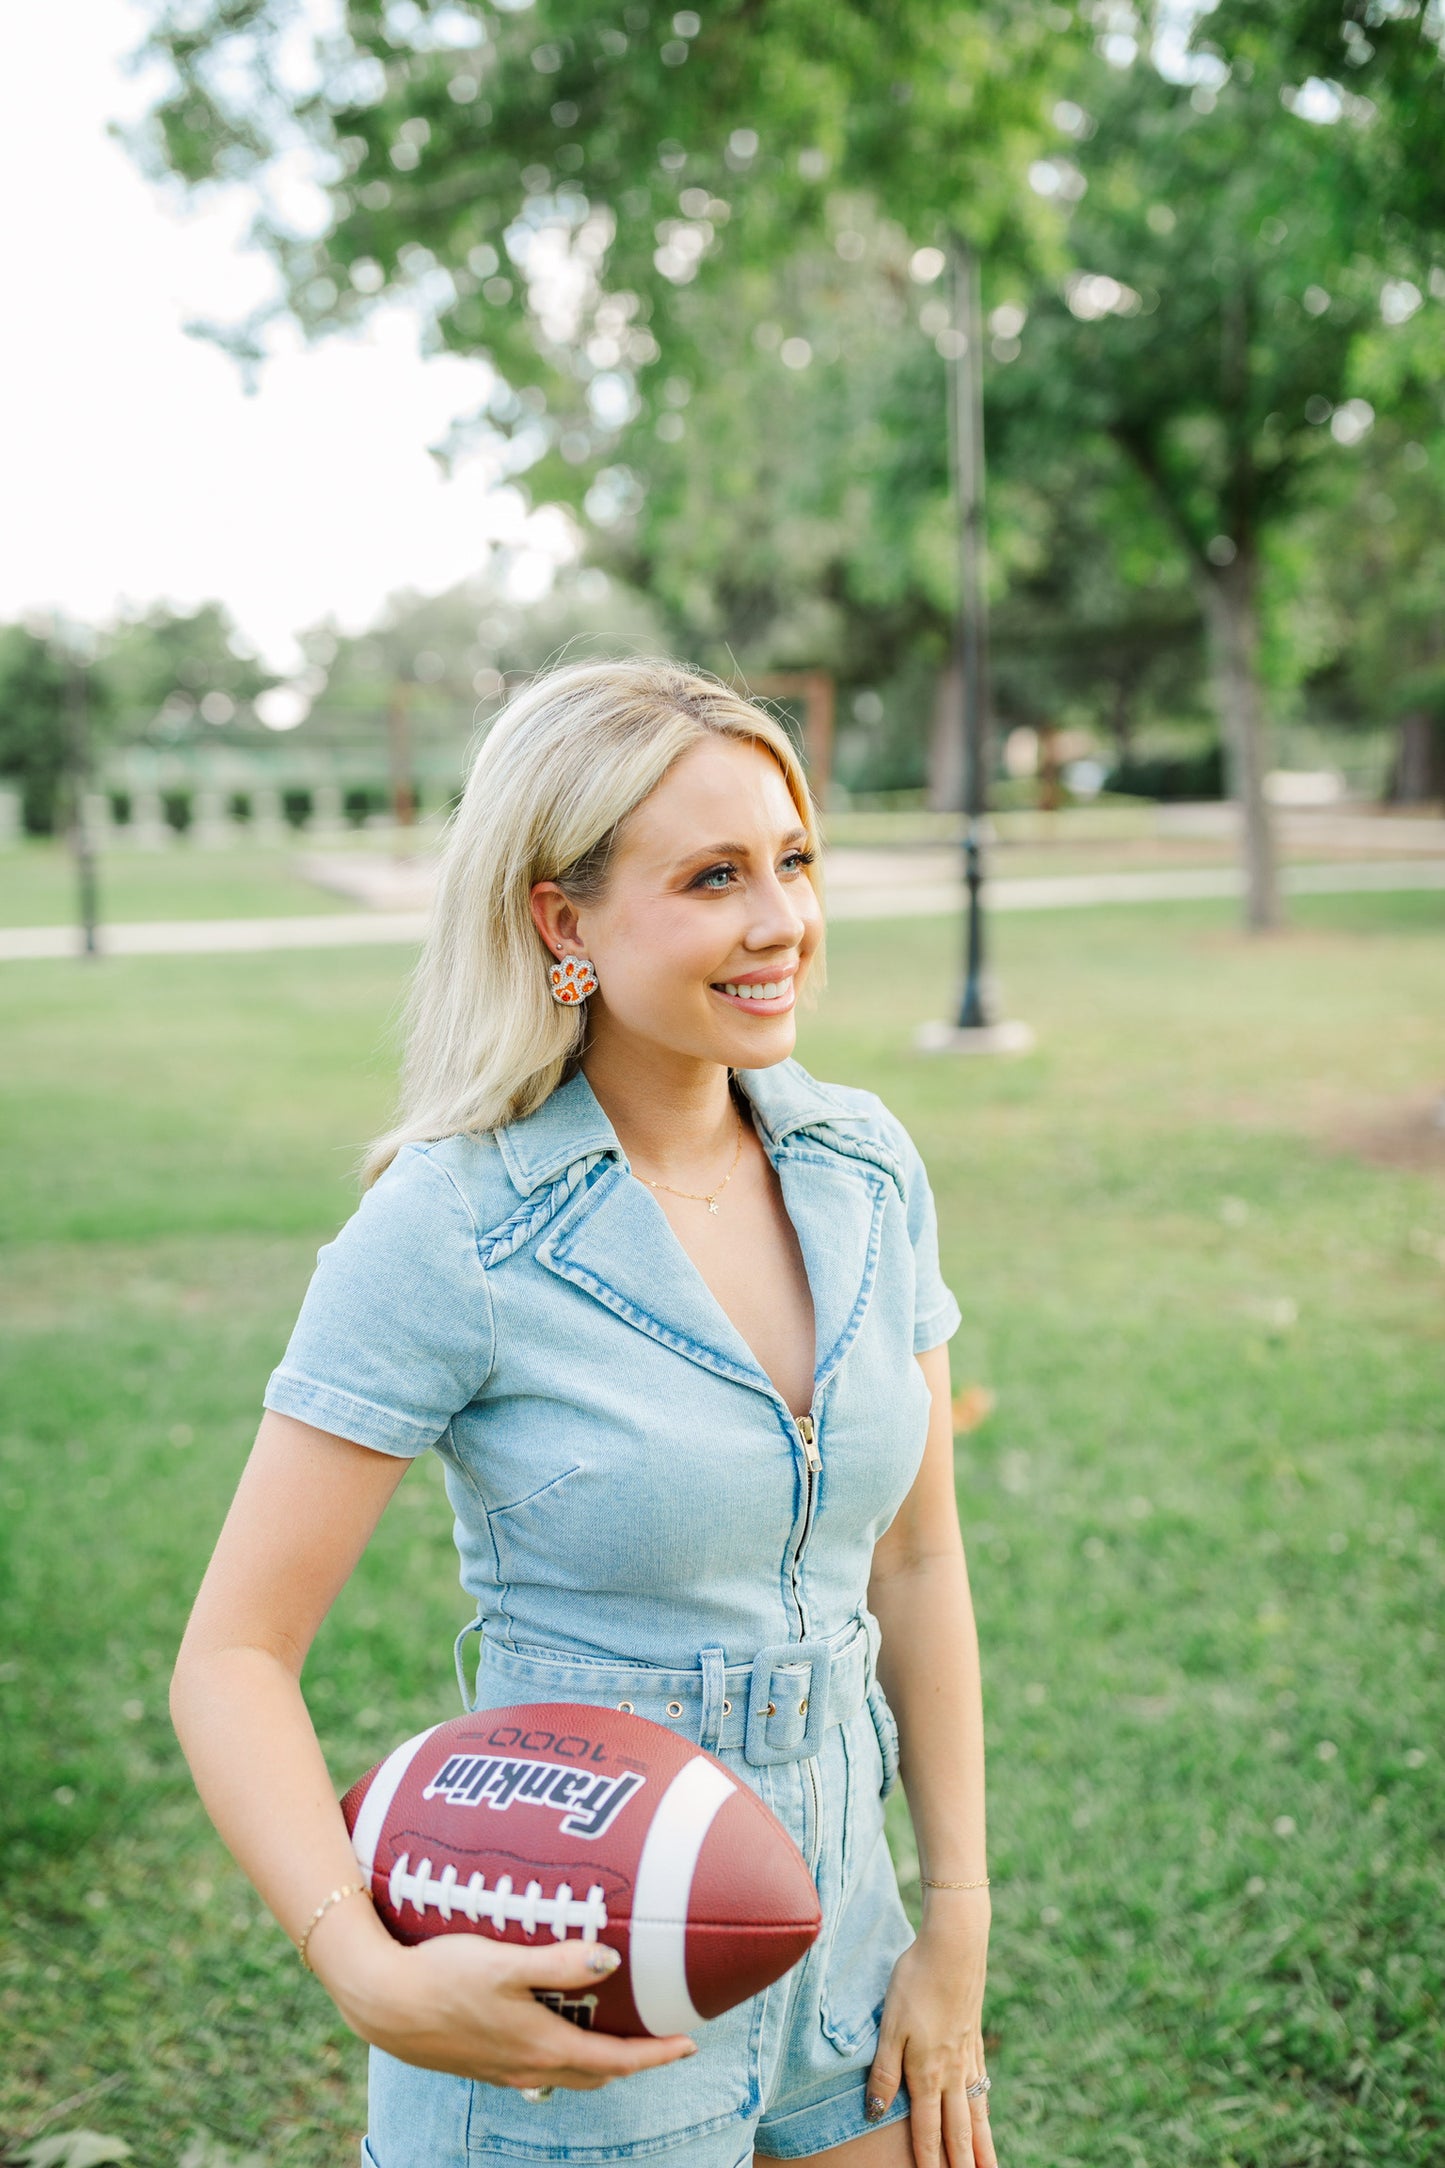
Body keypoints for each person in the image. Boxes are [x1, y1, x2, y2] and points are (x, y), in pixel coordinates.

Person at [170, 659, 997, 2168]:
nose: (781, 922)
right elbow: (231, 1658)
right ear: (564, 923)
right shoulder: (447, 1228)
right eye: (713, 877)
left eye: (793, 860)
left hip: (849, 1951)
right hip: (566, 1983)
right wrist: (365, 1969)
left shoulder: (866, 1168)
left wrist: (956, 1918)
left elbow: (916, 1561)